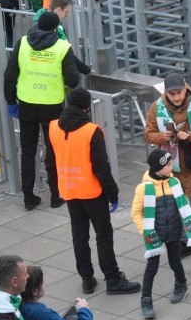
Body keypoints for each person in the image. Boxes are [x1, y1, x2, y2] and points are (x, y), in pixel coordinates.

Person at [48, 87, 141, 295]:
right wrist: (113, 193)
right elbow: (101, 167)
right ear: (86, 108)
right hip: (91, 192)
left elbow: (50, 162)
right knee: (103, 235)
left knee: (79, 236)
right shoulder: (91, 131)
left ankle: (87, 279)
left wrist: (56, 190)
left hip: (69, 191)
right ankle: (112, 278)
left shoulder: (54, 127)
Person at [3, 11, 81, 210]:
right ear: (56, 28)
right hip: (52, 106)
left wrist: (11, 100)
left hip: (26, 104)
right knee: (54, 150)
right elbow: (73, 80)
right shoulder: (63, 47)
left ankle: (28, 197)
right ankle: (56, 196)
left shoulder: (22, 43)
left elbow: (10, 75)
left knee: (28, 151)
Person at [144, 73, 191, 274]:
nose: (176, 97)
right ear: (166, 92)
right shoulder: (156, 108)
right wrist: (162, 136)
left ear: (186, 89)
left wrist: (189, 135)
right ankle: (184, 242)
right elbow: (148, 133)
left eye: (179, 93)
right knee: (174, 211)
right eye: (172, 94)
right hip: (170, 172)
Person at [131, 149, 191, 319]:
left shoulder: (174, 182)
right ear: (159, 167)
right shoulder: (144, 188)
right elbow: (136, 213)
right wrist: (145, 231)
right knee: (152, 268)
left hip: (173, 231)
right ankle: (146, 299)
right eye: (168, 163)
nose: (171, 164)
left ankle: (181, 284)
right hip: (154, 235)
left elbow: (182, 206)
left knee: (175, 262)